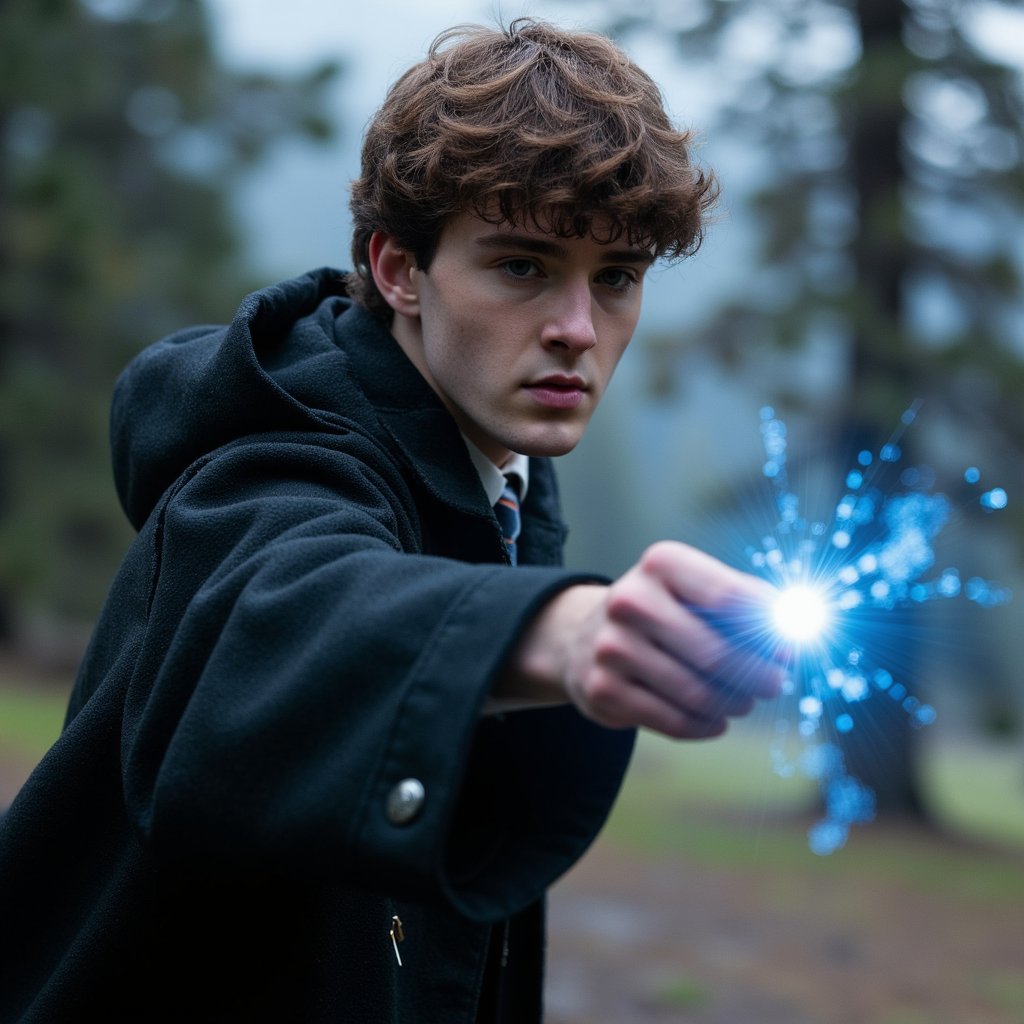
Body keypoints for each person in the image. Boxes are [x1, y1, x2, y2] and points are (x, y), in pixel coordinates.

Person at [0, 19, 782, 1023]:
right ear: (400, 269)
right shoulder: (274, 453)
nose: (578, 329)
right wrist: (564, 630)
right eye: (521, 265)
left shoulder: (501, 479)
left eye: (617, 278)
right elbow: (282, 609)